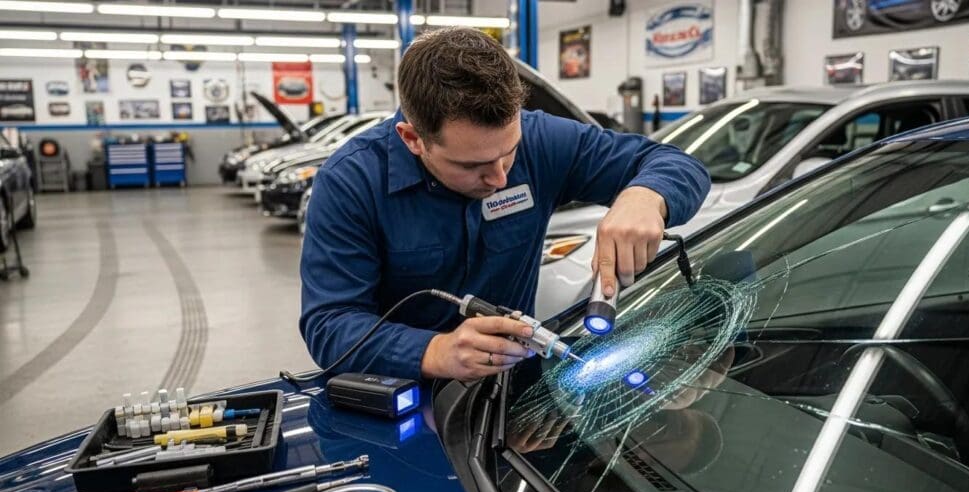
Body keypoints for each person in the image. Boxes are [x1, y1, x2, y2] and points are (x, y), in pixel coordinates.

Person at [300, 27, 711, 382]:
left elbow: (678, 164)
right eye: (473, 164)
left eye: (509, 153)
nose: (499, 178)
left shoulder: (542, 140)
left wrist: (645, 196)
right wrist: (436, 351)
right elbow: (330, 324)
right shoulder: (350, 182)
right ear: (413, 139)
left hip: (513, 397)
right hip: (405, 399)